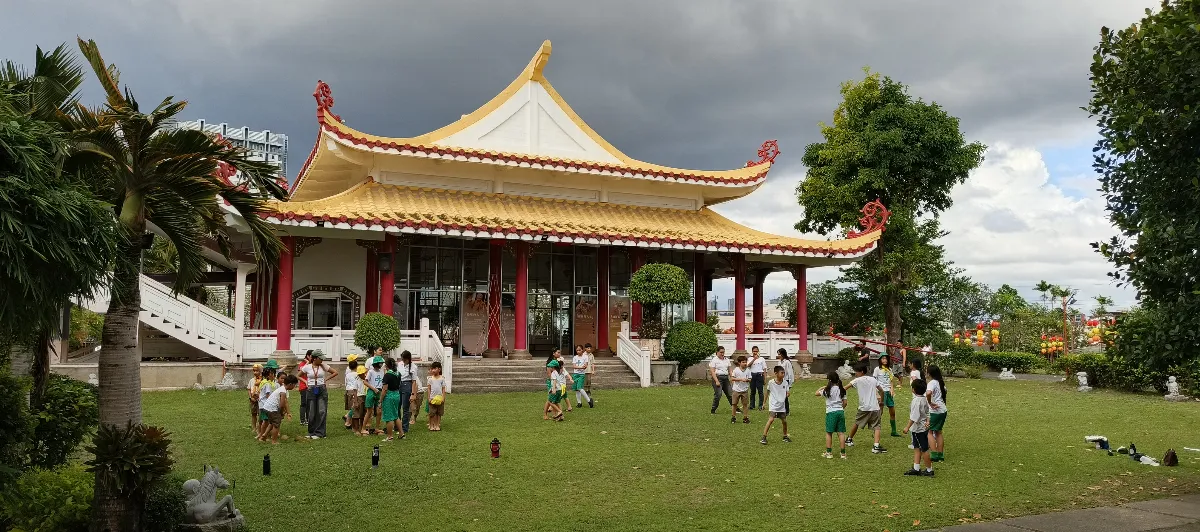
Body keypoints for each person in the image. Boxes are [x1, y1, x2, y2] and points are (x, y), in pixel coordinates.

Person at [846, 363, 887, 454]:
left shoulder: (856, 380)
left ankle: (849, 439)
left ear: (861, 372)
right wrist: (882, 401)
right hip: (874, 407)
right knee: (877, 426)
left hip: (864, 407)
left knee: (857, 423)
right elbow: (881, 391)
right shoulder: (873, 379)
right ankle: (876, 446)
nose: (855, 373)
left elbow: (845, 388)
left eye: (856, 371)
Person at [301, 350, 339, 440]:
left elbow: (335, 372)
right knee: (311, 412)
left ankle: (320, 433)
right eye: (320, 358)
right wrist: (305, 381)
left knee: (321, 411)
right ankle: (311, 432)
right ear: (315, 358)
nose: (322, 360)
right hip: (311, 389)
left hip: (321, 389)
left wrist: (326, 379)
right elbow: (298, 375)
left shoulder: (323, 366)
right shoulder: (307, 367)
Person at [903, 378, 934, 476]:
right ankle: (916, 468)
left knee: (924, 449)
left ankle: (929, 470)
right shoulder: (925, 399)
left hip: (918, 429)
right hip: (923, 427)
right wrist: (928, 421)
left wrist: (907, 427)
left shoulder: (916, 401)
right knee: (917, 448)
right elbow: (929, 412)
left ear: (913, 389)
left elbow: (914, 417)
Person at [815, 371, 848, 459]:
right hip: (840, 412)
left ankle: (829, 453)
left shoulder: (827, 390)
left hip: (831, 412)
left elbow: (816, 393)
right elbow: (845, 403)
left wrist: (823, 386)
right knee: (841, 433)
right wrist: (840, 409)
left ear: (829, 380)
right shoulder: (842, 389)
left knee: (829, 433)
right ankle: (843, 454)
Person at [258, 374, 298, 444]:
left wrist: (288, 412)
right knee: (276, 425)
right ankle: (274, 441)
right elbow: (282, 403)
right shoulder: (283, 392)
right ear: (290, 384)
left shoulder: (281, 389)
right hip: (272, 409)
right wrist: (281, 412)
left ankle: (263, 436)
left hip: (266, 407)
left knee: (271, 423)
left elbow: (285, 402)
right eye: (294, 385)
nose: (294, 387)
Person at [759, 365, 791, 445]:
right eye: (782, 373)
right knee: (771, 419)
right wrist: (764, 403)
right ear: (776, 373)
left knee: (784, 421)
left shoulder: (785, 382)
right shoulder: (771, 382)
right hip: (773, 405)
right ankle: (764, 437)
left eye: (784, 373)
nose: (783, 374)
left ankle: (785, 436)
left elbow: (787, 391)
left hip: (782, 406)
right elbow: (767, 393)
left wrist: (787, 394)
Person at [874, 354, 900, 437]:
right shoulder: (877, 369)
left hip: (888, 393)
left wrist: (892, 389)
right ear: (880, 360)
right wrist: (877, 393)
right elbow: (874, 382)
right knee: (880, 412)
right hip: (881, 392)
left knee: (892, 412)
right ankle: (875, 431)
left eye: (886, 358)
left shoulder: (890, 369)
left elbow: (891, 381)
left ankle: (894, 431)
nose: (885, 360)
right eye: (883, 358)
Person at [926, 364, 948, 462]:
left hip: (935, 411)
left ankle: (934, 454)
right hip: (943, 410)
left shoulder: (932, 383)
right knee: (938, 432)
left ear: (930, 373)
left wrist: (930, 403)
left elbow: (928, 393)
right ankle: (940, 454)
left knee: (929, 432)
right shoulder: (941, 383)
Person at [379, 357, 404, 441]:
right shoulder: (398, 374)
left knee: (389, 417)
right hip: (397, 394)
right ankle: (401, 433)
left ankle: (389, 436)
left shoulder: (387, 375)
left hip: (389, 396)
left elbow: (384, 389)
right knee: (396, 415)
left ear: (386, 365)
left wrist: (380, 400)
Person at [397, 351, 419, 436]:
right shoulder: (400, 364)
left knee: (405, 408)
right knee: (397, 406)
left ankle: (404, 427)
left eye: (404, 359)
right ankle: (397, 426)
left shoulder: (413, 367)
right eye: (402, 359)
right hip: (399, 384)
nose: (403, 360)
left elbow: (414, 381)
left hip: (407, 385)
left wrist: (413, 394)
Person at [363, 354, 385, 435]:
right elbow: (365, 382)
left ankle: (377, 428)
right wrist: (373, 389)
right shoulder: (371, 372)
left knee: (379, 411)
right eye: (380, 363)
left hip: (379, 392)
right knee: (369, 411)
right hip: (372, 392)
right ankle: (363, 428)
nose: (381, 365)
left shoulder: (382, 372)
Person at [709, 346, 732, 414]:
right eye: (721, 352)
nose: (722, 354)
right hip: (718, 377)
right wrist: (716, 381)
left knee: (730, 394)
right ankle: (713, 409)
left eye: (723, 352)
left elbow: (730, 370)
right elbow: (712, 371)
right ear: (717, 352)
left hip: (725, 378)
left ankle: (735, 408)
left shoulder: (727, 360)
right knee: (718, 394)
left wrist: (732, 377)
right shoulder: (714, 360)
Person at [730, 356, 751, 424]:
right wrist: (741, 379)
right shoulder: (736, 370)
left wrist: (747, 380)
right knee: (734, 404)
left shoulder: (748, 370)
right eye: (743, 362)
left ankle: (745, 418)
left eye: (746, 362)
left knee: (745, 404)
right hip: (736, 390)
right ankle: (733, 417)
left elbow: (750, 379)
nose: (745, 363)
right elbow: (732, 378)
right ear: (739, 363)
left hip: (744, 390)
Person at [427, 361, 446, 431]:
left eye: (435, 368)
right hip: (432, 399)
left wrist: (443, 398)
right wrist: (429, 398)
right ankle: (431, 425)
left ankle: (437, 425)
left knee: (439, 413)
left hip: (440, 399)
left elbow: (443, 389)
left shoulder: (442, 378)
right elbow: (428, 389)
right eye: (432, 369)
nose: (433, 370)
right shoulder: (430, 379)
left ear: (439, 369)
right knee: (432, 413)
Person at [748, 346, 766, 411]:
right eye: (754, 351)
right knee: (752, 391)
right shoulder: (750, 358)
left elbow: (764, 369)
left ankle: (760, 406)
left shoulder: (762, 359)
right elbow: (748, 365)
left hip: (759, 375)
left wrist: (764, 378)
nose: (755, 352)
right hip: (752, 375)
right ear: (752, 352)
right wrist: (754, 359)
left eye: (756, 351)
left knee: (760, 391)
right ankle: (752, 405)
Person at [343, 356, 359, 430]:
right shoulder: (357, 374)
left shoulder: (347, 375)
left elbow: (346, 383)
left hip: (348, 390)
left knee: (352, 407)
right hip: (355, 391)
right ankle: (348, 421)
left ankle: (349, 420)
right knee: (354, 407)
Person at [351, 366, 367, 436]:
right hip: (359, 397)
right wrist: (355, 401)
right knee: (357, 414)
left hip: (366, 396)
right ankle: (356, 429)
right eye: (360, 374)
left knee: (364, 414)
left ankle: (362, 428)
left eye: (363, 373)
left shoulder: (367, 379)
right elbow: (355, 391)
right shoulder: (357, 380)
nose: (362, 375)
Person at [297, 350, 311, 426]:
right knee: (304, 403)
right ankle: (302, 420)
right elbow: (302, 372)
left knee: (309, 403)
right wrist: (307, 363)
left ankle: (308, 419)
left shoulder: (312, 364)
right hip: (304, 386)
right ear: (308, 356)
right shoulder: (302, 364)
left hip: (311, 386)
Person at [777, 348, 794, 413]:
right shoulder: (779, 362)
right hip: (779, 380)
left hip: (785, 380)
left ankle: (787, 411)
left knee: (785, 396)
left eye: (779, 354)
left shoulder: (787, 362)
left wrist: (790, 383)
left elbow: (790, 373)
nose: (778, 356)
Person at [248, 363, 262, 433]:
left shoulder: (262, 380)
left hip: (260, 399)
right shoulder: (251, 380)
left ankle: (258, 427)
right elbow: (249, 389)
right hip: (253, 400)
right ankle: (253, 427)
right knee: (253, 414)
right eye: (254, 371)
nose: (255, 372)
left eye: (257, 371)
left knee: (260, 414)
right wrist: (250, 397)